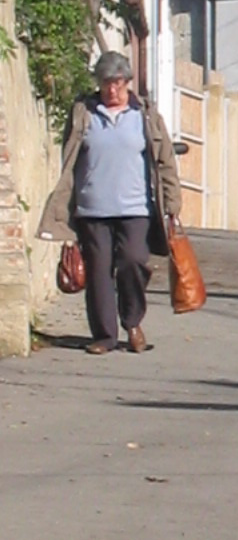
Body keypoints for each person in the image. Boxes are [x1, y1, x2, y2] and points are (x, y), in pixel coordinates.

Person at [39, 51, 183, 355]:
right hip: (93, 209)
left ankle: (132, 322)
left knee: (133, 260)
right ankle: (104, 336)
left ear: (128, 83)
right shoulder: (84, 112)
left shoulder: (145, 115)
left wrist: (172, 202)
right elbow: (69, 160)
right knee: (98, 271)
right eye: (106, 84)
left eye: (117, 83)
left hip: (135, 209)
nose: (112, 90)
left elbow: (165, 160)